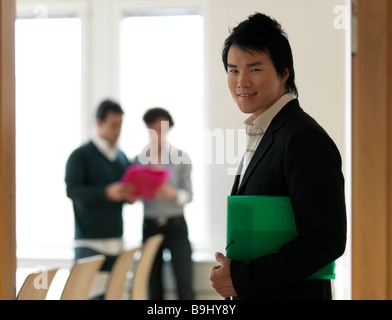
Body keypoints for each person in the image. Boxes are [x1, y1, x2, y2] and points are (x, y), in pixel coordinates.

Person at [209, 13, 347, 300]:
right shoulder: (267, 131)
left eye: (254, 69)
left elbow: (325, 240)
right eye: (233, 70)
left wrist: (244, 279)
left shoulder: (302, 137)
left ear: (284, 72)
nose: (241, 81)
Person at [65, 99, 137, 271]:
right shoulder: (80, 155)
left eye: (120, 125)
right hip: (89, 244)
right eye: (113, 125)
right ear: (99, 123)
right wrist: (105, 193)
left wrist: (129, 196)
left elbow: (124, 192)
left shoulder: (121, 157)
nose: (117, 131)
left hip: (116, 242)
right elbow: (73, 191)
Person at [134, 107, 194, 300]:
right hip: (150, 226)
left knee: (184, 282)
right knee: (153, 284)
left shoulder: (181, 158)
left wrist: (174, 194)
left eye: (162, 128)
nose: (158, 133)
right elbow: (132, 194)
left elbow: (189, 194)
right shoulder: (137, 161)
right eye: (154, 128)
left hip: (176, 225)